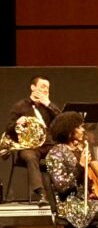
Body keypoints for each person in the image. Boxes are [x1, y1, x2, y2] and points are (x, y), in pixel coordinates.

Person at [5, 75, 60, 203]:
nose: (45, 90)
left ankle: (61, 193)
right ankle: (41, 194)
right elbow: (8, 128)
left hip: (48, 145)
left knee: (61, 153)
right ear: (33, 87)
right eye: (43, 86)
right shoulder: (20, 106)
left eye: (48, 88)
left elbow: (63, 121)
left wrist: (48, 104)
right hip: (30, 147)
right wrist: (17, 123)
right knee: (30, 157)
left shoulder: (49, 107)